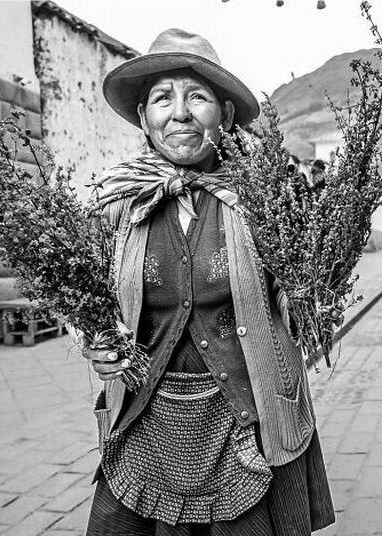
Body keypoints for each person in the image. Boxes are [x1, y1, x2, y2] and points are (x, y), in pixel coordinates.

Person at [79, 28, 335, 535]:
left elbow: (294, 297)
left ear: (226, 114)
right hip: (148, 419)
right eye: (162, 99)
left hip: (248, 417)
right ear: (144, 118)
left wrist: (310, 300)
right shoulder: (117, 201)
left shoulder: (264, 197)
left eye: (197, 96)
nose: (179, 113)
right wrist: (96, 342)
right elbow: (91, 300)